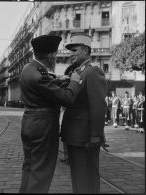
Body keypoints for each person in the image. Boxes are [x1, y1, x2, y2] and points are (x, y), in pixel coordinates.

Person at [19, 35, 82, 193]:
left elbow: (44, 86)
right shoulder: (41, 76)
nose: (55, 57)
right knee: (41, 172)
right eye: (55, 55)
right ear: (50, 56)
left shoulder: (29, 68)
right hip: (43, 127)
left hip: (29, 123)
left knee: (30, 168)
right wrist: (74, 81)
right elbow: (67, 99)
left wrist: (60, 81)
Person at [60, 32, 108, 194]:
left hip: (85, 136)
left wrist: (96, 134)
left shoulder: (92, 72)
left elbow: (98, 106)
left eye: (75, 50)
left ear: (86, 51)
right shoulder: (77, 72)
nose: (71, 54)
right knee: (78, 176)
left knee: (87, 176)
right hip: (74, 134)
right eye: (70, 50)